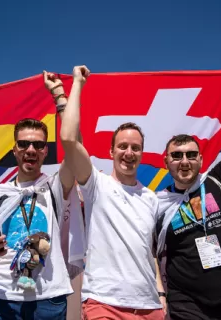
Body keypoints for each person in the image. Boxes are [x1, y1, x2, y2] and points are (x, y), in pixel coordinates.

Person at [0, 71, 84, 320]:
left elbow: (75, 148)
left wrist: (59, 95)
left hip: (48, 300)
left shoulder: (54, 187)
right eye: (24, 144)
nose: (31, 149)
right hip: (1, 299)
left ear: (45, 151)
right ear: (15, 150)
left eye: (38, 145)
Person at [155, 65, 221, 320]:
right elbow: (148, 252)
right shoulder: (156, 203)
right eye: (177, 156)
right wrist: (160, 294)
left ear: (201, 160)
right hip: (186, 305)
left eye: (191, 155)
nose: (185, 161)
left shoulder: (218, 181)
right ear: (166, 162)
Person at [60, 65, 165, 319]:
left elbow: (147, 252)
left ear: (142, 153)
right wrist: (77, 85)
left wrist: (161, 295)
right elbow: (68, 139)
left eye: (136, 148)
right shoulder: (96, 184)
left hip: (150, 306)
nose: (129, 153)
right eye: (123, 146)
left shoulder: (151, 199)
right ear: (111, 152)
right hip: (104, 304)